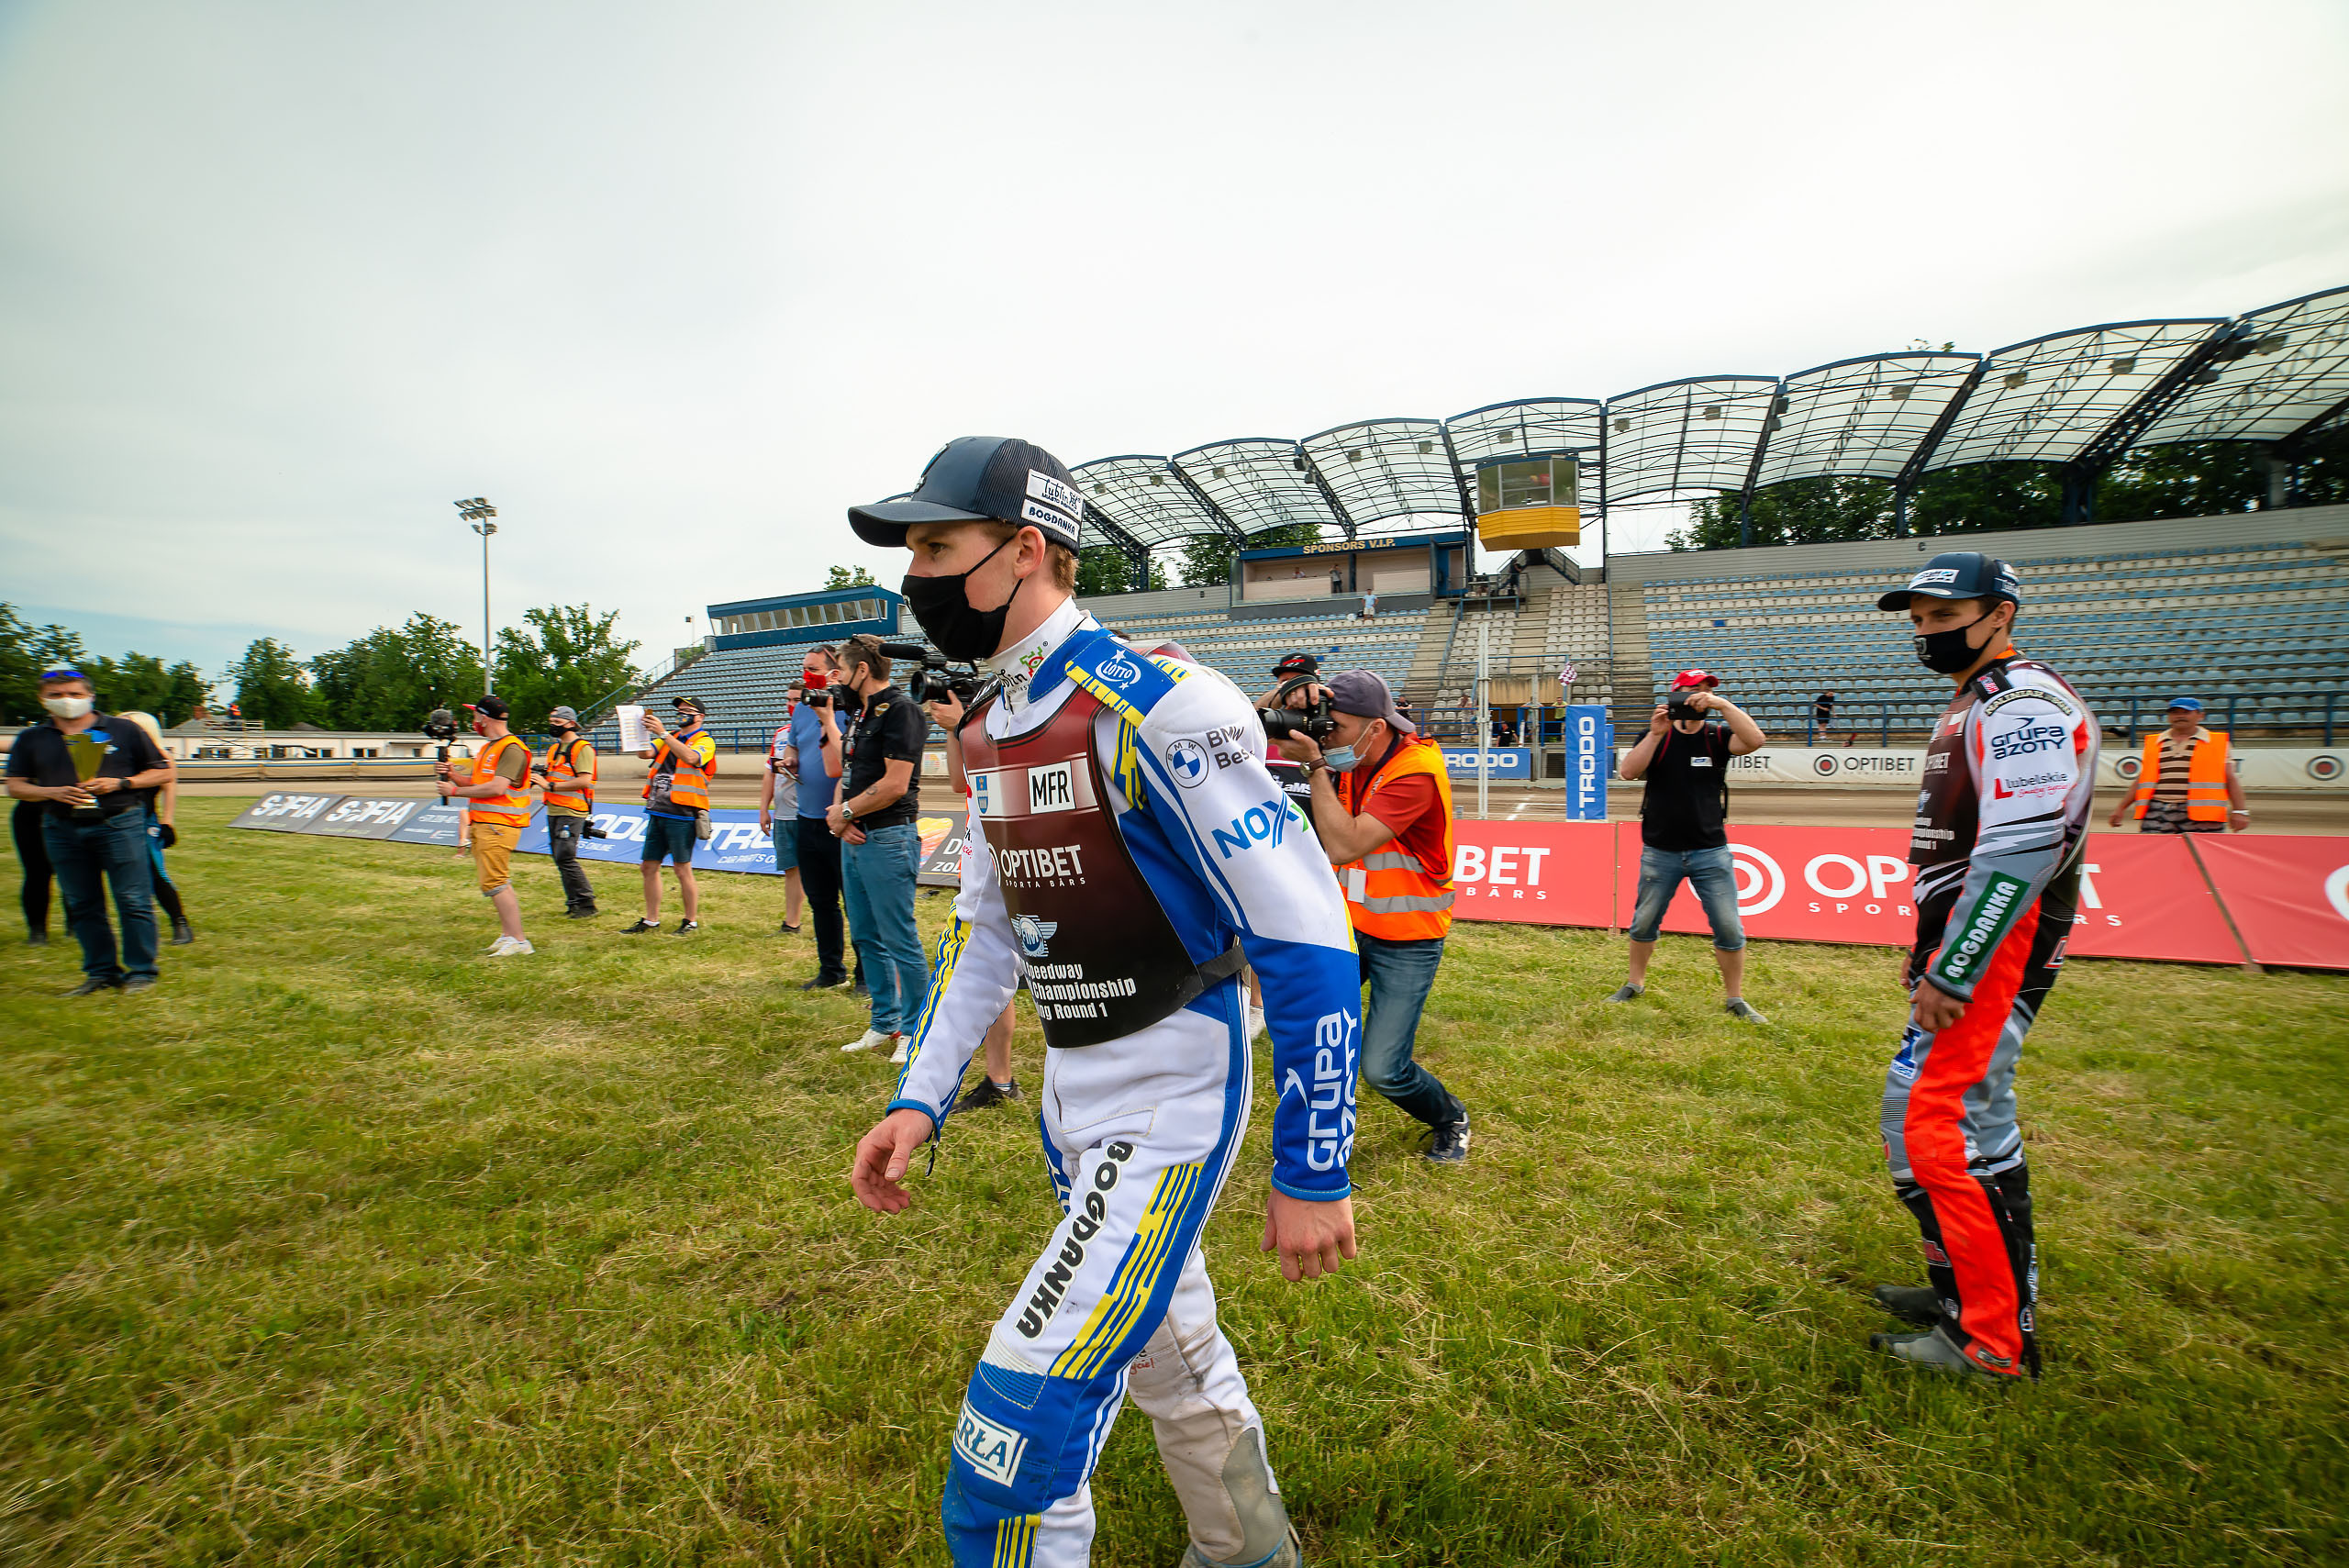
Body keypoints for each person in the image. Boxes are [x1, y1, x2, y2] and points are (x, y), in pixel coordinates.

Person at [845, 436, 1359, 1568]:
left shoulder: (1164, 704)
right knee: (1176, 1354)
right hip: (1072, 1100)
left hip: (1170, 1092)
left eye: (937, 545)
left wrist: (1313, 1164)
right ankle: (1250, 1551)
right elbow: (989, 931)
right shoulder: (985, 727)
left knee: (1013, 1436)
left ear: (1025, 549)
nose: (915, 577)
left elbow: (1308, 932)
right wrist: (919, 1098)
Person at [1866, 551, 2097, 1381]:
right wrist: (1932, 946)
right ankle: (1963, 1289)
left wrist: (1956, 966)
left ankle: (1994, 1339)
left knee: (1942, 1128)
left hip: (2001, 949)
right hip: (1974, 944)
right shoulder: (1979, 699)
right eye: (1918, 619)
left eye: (1943, 614)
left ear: (2000, 613)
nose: (1927, 631)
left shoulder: (2022, 699)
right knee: (1930, 1116)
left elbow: (2026, 843)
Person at [1273, 668, 1474, 1162]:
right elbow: (1254, 723)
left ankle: (1450, 1117)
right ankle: (1319, 1135)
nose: (1324, 736)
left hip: (1409, 936)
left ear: (1376, 727)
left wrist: (1316, 767)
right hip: (1351, 925)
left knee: (1384, 1068)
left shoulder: (1415, 770)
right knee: (1308, 1028)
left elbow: (1344, 844)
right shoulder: (1356, 750)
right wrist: (1287, 696)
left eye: (1332, 727)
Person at [1608, 670, 1769, 1020]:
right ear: (1677, 696)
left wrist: (1722, 704)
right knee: (1643, 921)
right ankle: (1634, 983)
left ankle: (1735, 998)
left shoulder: (1717, 736)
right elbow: (1629, 772)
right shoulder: (1657, 736)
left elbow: (1755, 740)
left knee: (1728, 925)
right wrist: (1654, 734)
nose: (1701, 698)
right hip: (1659, 850)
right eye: (1695, 692)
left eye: (1707, 692)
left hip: (1710, 850)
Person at [5, 666, 172, 992]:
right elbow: (15, 786)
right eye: (56, 695)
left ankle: (141, 972)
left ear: (90, 697)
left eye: (75, 694)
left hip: (119, 823)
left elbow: (162, 772)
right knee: (82, 902)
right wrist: (51, 793)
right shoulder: (32, 738)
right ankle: (100, 973)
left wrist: (122, 783)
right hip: (60, 827)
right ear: (42, 700)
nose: (66, 701)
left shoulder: (124, 730)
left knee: (132, 899)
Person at [823, 634, 931, 1060]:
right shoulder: (859, 714)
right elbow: (848, 774)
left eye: (843, 670)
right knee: (867, 937)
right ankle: (883, 1022)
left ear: (862, 671)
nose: (839, 679)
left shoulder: (901, 711)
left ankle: (915, 1031)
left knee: (898, 937)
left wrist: (845, 813)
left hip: (888, 838)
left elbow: (895, 784)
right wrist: (844, 816)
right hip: (856, 836)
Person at [930, 682, 1023, 1111]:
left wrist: (966, 723)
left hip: (1003, 879)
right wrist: (956, 730)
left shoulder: (1011, 729)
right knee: (994, 980)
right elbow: (956, 781)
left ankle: (934, 1088)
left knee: (974, 981)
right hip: (984, 874)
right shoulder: (978, 732)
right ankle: (999, 1081)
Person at [436, 695, 535, 958]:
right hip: (487, 824)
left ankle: (519, 940)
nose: (473, 721)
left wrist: (453, 790)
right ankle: (508, 935)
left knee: (496, 881)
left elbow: (497, 787)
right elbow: (480, 782)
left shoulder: (511, 748)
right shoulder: (490, 747)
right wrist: (455, 776)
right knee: (494, 880)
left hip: (499, 825)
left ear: (485, 717)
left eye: (475, 715)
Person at [785, 645, 854, 988]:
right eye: (804, 669)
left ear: (834, 672)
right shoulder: (801, 708)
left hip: (842, 820)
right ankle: (831, 971)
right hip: (806, 817)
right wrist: (790, 758)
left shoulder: (848, 707)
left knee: (855, 902)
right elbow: (794, 744)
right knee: (821, 900)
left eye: (813, 668)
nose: (806, 674)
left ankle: (866, 976)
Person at [626, 695, 714, 935]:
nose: (682, 712)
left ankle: (690, 921)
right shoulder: (671, 738)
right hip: (659, 809)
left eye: (687, 710)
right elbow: (644, 754)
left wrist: (663, 733)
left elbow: (692, 757)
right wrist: (638, 732)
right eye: (680, 709)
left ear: (700, 717)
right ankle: (651, 919)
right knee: (648, 866)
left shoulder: (705, 741)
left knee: (681, 868)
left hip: (683, 813)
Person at [2110, 696, 2248, 835]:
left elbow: (2231, 779)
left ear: (2200, 715)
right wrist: (2120, 808)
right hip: (2157, 811)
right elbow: (2142, 780)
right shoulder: (2155, 742)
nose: (2180, 716)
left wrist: (2240, 811)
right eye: (2175, 712)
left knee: (2199, 855)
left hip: (2202, 815)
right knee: (2154, 854)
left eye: (2186, 712)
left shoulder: (2217, 743)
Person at [119, 710, 195, 945]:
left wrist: (167, 823)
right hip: (111, 820)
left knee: (155, 875)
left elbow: (169, 790)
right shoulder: (112, 755)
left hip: (144, 822)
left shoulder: (160, 757)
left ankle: (180, 923)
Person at [534, 705, 601, 918]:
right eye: (551, 722)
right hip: (555, 808)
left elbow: (584, 780)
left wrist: (549, 786)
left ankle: (586, 903)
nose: (552, 726)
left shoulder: (582, 748)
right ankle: (574, 902)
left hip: (571, 810)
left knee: (565, 856)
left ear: (571, 723)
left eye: (557, 722)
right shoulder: (555, 749)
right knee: (559, 857)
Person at [760, 698, 807, 934]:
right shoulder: (779, 734)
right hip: (783, 814)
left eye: (797, 700)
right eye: (788, 699)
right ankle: (792, 923)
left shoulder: (815, 729)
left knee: (819, 872)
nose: (792, 704)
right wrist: (763, 808)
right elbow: (769, 773)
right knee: (791, 869)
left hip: (808, 813)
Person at [12, 795, 51, 945]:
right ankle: (37, 930)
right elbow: (15, 788)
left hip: (74, 812)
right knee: (37, 874)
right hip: (32, 813)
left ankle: (75, 926)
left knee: (77, 873)